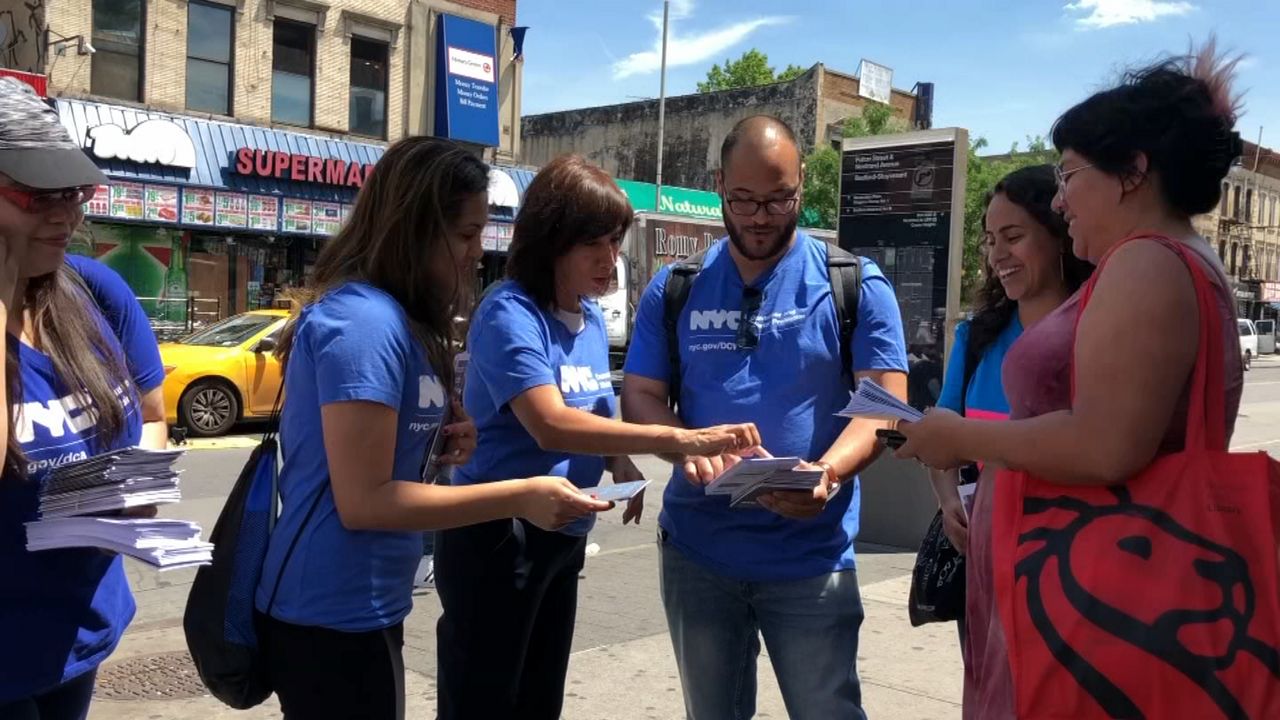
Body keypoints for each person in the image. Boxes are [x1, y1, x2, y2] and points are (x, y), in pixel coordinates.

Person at [895, 42, 1245, 719]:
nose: (1061, 199)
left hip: (1095, 602)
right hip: (1095, 585)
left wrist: (961, 435)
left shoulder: (1146, 263)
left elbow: (1106, 445)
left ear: (1132, 172)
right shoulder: (1179, 261)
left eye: (1069, 175)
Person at [252, 137, 612, 720]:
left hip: (369, 603)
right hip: (328, 610)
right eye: (467, 235)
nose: (477, 252)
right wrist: (519, 496)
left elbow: (384, 464)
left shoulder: (400, 320)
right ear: (415, 229)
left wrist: (439, 448)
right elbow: (365, 502)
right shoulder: (366, 322)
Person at [434, 154, 760, 720]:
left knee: (539, 701)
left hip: (564, 533)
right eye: (597, 244)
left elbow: (595, 404)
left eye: (616, 242)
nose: (611, 259)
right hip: (498, 536)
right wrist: (682, 441)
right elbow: (551, 421)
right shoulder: (510, 312)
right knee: (483, 701)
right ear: (553, 241)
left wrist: (618, 459)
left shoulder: (584, 317)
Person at [622, 115, 909, 720]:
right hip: (699, 553)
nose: (759, 216)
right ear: (719, 184)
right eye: (743, 199)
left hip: (813, 559)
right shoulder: (675, 286)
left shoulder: (853, 284)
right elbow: (641, 394)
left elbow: (884, 405)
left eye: (778, 199)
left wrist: (827, 474)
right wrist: (683, 443)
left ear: (802, 184)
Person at [0, 77, 169, 719]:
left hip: (81, 633)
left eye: (75, 192)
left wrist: (137, 491)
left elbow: (152, 418)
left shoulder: (94, 291)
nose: (67, 215)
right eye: (37, 195)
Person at [927, 165, 1093, 651]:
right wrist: (948, 500)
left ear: (1059, 233)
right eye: (989, 239)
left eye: (1013, 236)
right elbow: (945, 437)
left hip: (1073, 567)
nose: (997, 254)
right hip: (986, 561)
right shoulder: (977, 335)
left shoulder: (1100, 330)